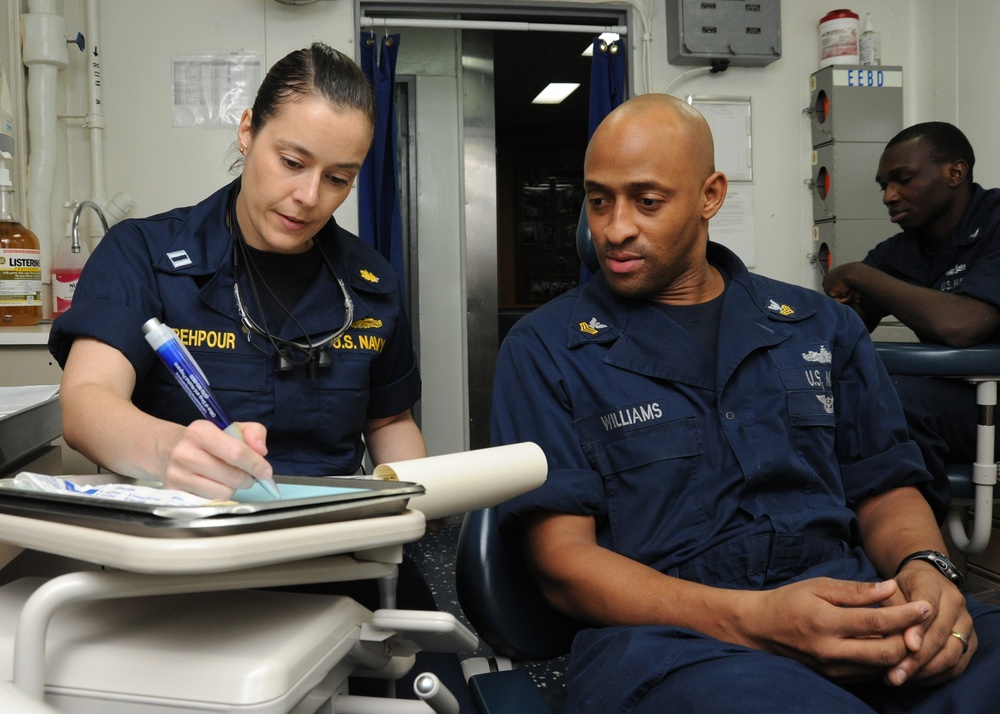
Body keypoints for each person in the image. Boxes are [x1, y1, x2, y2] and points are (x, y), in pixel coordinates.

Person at [490, 94, 1000, 713]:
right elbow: (562, 562)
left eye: (647, 201)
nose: (614, 228)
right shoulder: (546, 348)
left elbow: (885, 487)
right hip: (677, 642)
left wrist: (928, 571)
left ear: (710, 196)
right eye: (598, 200)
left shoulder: (820, 326)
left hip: (855, 601)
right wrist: (756, 618)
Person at [49, 43, 471, 709]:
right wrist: (170, 451)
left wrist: (420, 503)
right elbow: (87, 401)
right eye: (292, 162)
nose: (308, 197)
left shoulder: (371, 283)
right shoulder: (144, 255)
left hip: (347, 568)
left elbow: (389, 420)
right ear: (248, 131)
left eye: (339, 178)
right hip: (189, 576)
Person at [822, 122, 1000, 524]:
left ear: (954, 173)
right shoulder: (899, 251)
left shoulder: (995, 223)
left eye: (903, 179)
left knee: (892, 400)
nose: (889, 196)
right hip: (952, 405)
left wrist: (860, 277)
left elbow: (964, 325)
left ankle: (916, 548)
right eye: (884, 184)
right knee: (830, 394)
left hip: (988, 406)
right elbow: (843, 331)